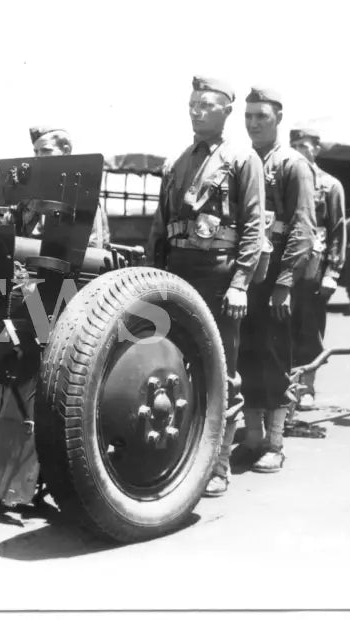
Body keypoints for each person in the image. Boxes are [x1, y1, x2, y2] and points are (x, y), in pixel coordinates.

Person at [147, 76, 265, 498]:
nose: (196, 110)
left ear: (225, 111)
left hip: (219, 276)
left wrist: (240, 283)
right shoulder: (177, 162)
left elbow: (253, 228)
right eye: (193, 104)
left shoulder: (242, 158)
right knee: (176, 364)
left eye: (206, 104)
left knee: (221, 370)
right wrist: (152, 278)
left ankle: (217, 465)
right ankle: (183, 458)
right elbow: (160, 229)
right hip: (178, 276)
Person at [238, 87, 318, 474]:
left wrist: (285, 283)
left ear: (278, 119)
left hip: (275, 281)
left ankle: (275, 442)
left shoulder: (293, 165)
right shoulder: (243, 160)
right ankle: (252, 437)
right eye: (249, 116)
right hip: (247, 276)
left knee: (274, 359)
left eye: (261, 117)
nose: (253, 123)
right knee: (247, 356)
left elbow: (304, 228)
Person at [289, 128, 347, 410]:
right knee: (281, 326)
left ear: (316, 150)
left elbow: (337, 230)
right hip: (286, 266)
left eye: (305, 145)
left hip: (315, 267)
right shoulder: (283, 181)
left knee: (309, 328)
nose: (300, 150)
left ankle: (307, 386)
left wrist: (332, 272)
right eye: (295, 145)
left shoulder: (330, 185)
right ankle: (285, 387)